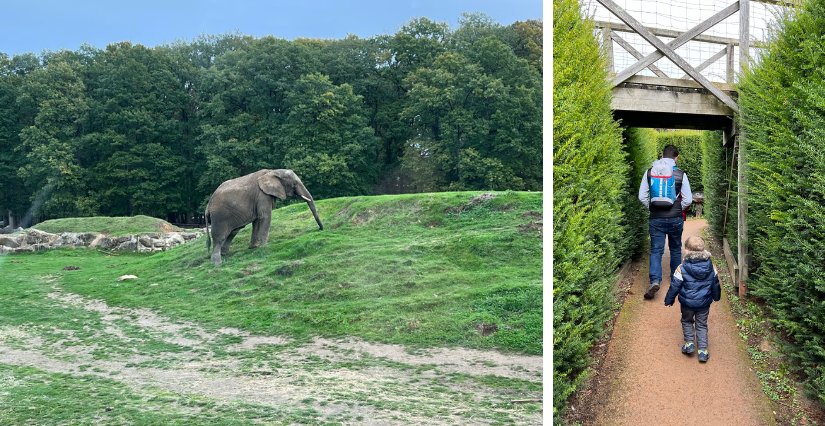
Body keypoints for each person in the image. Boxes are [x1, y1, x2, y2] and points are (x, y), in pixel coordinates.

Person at [638, 144, 693, 299]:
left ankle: (655, 280)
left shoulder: (649, 172)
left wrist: (652, 208)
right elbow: (688, 199)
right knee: (675, 248)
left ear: (661, 156)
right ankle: (676, 278)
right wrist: (677, 208)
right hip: (675, 218)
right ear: (676, 158)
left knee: (656, 250)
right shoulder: (681, 174)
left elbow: (642, 196)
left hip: (656, 218)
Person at [663, 236, 721, 362]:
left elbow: (674, 286)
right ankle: (702, 351)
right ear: (703, 250)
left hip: (687, 303)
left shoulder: (681, 268)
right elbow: (715, 284)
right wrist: (716, 297)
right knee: (701, 324)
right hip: (704, 303)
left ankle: (689, 344)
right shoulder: (712, 267)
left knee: (687, 321)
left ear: (687, 251)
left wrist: (669, 300)